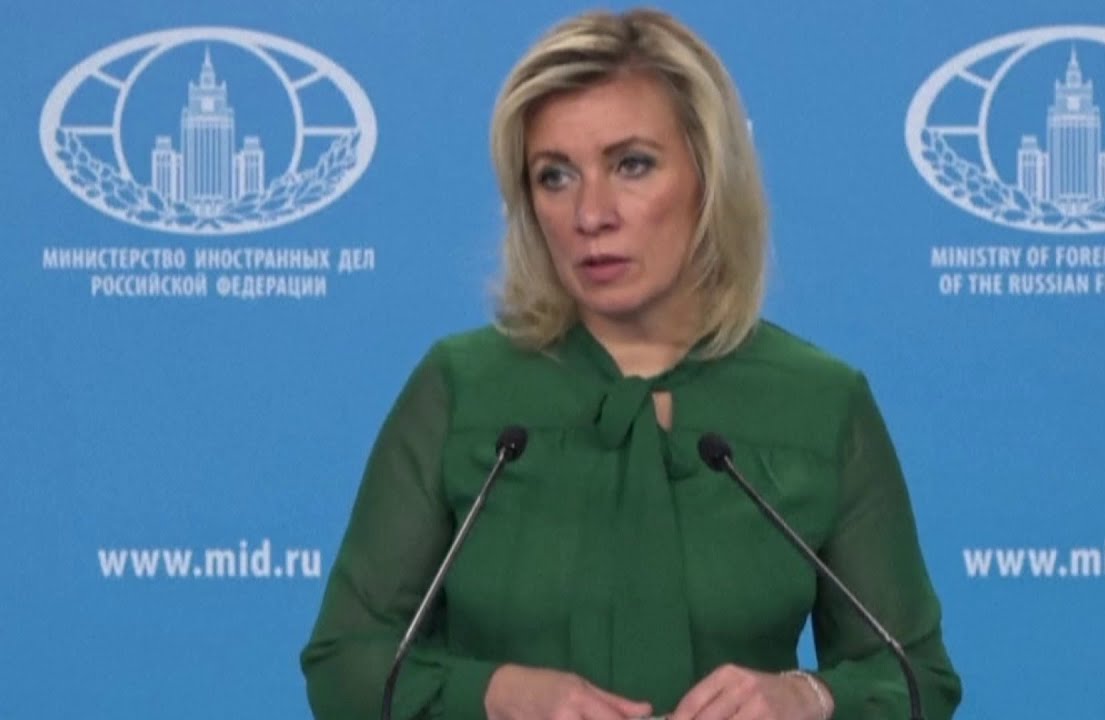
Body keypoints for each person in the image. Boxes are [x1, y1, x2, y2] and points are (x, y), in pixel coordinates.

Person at [301, 8, 961, 720]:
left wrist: (807, 698)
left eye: (632, 165)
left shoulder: (820, 401)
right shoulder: (461, 389)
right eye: (555, 176)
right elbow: (346, 661)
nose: (591, 214)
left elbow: (915, 679)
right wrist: (497, 694)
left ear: (709, 175)